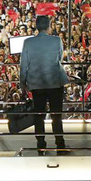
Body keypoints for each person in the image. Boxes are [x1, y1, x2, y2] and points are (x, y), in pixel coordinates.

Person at [19, 15, 70, 154]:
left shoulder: (28, 42)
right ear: (49, 26)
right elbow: (59, 58)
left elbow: (23, 65)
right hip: (54, 82)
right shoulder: (56, 40)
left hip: (37, 83)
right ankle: (60, 145)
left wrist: (22, 83)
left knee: (39, 115)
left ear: (36, 26)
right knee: (56, 115)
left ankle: (41, 145)